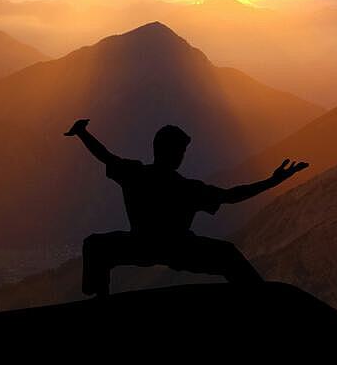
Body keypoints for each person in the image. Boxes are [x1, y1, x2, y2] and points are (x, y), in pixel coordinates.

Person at [65, 118, 308, 296]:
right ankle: (262, 300)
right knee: (228, 255)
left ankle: (100, 297)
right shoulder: (186, 188)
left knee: (95, 245)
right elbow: (232, 196)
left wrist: (82, 133)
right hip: (179, 248)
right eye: (181, 151)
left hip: (141, 244)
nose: (182, 156)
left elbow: (105, 156)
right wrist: (273, 181)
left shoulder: (134, 174)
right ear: (175, 153)